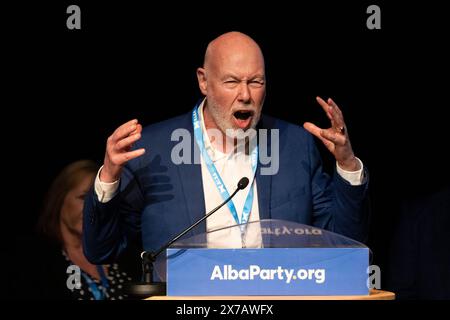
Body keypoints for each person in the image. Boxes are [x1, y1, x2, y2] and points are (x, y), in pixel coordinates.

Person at [83, 32, 369, 264]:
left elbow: (344, 244)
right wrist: (108, 178)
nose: (245, 95)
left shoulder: (294, 145)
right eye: (231, 81)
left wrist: (347, 166)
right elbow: (102, 252)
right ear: (204, 81)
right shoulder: (152, 149)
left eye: (255, 82)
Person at [12, 160, 139, 300]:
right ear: (59, 199)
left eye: (98, 200)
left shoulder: (123, 253)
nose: (92, 208)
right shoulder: (33, 261)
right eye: (84, 198)